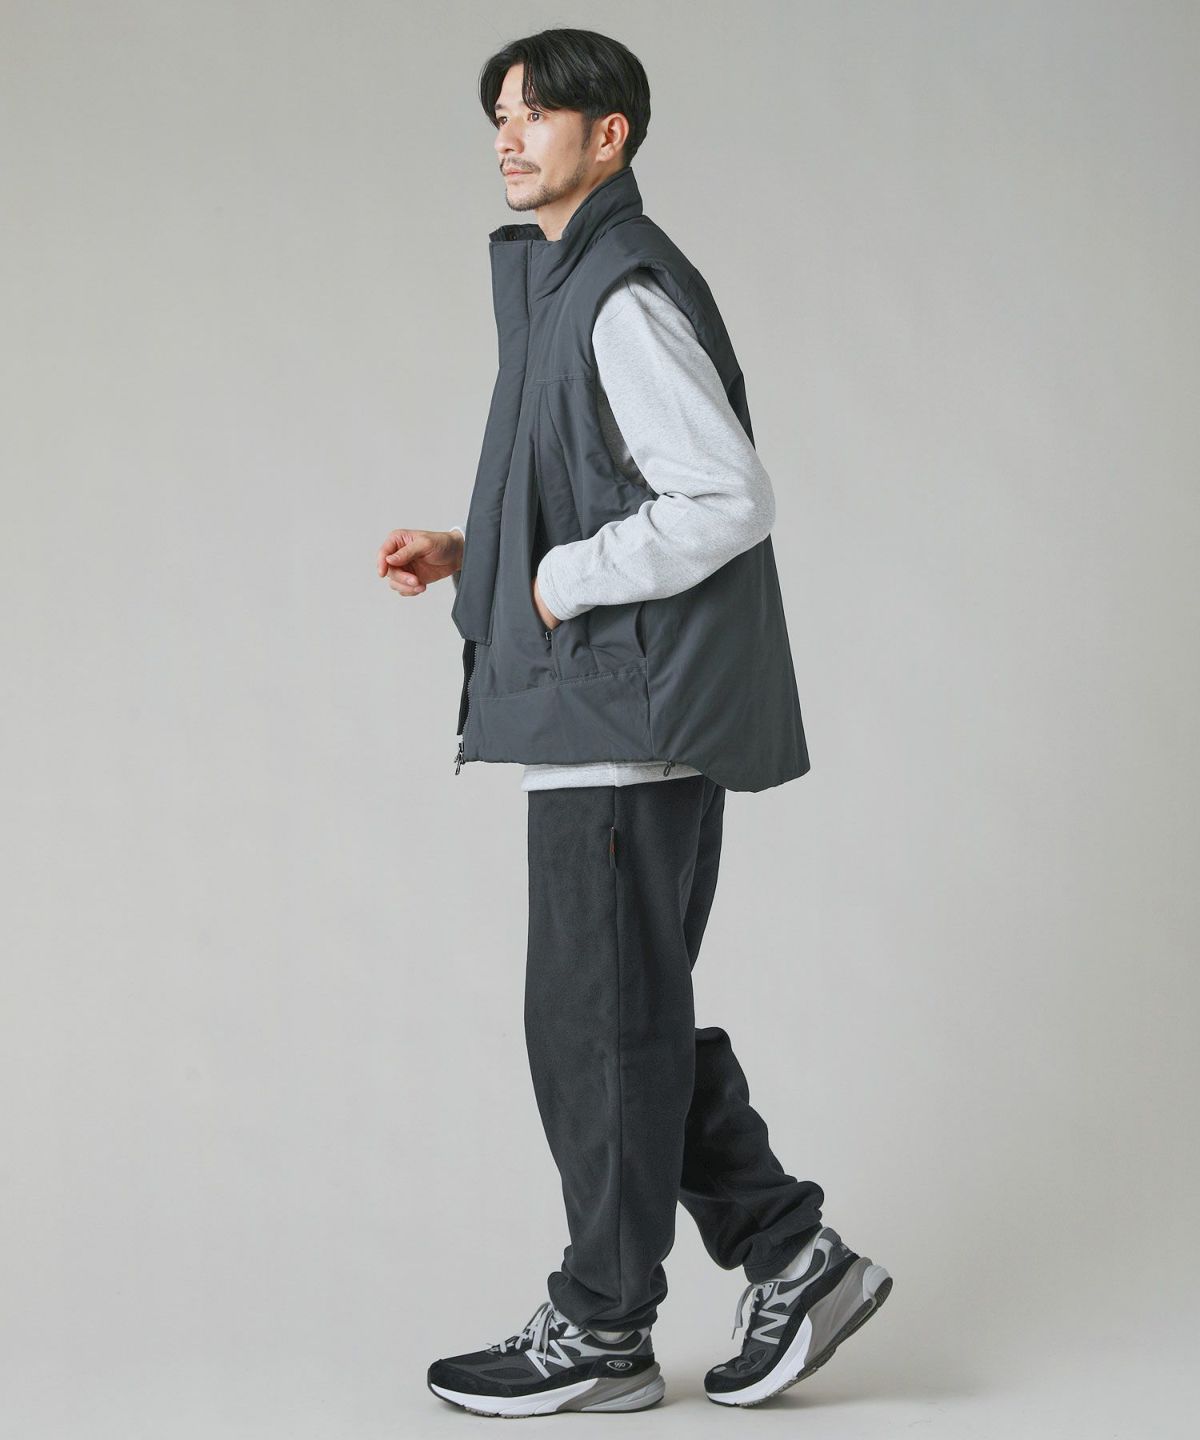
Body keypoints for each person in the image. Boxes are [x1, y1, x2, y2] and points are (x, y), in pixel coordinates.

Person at [377, 27, 892, 1417]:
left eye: (538, 112)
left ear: (610, 135)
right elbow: (591, 484)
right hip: (595, 714)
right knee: (618, 1020)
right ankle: (792, 1256)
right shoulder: (561, 288)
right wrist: (479, 557)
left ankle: (607, 1326)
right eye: (498, 111)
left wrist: (553, 581)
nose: (509, 133)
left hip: (624, 721)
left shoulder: (618, 292)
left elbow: (726, 496)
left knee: (598, 1030)